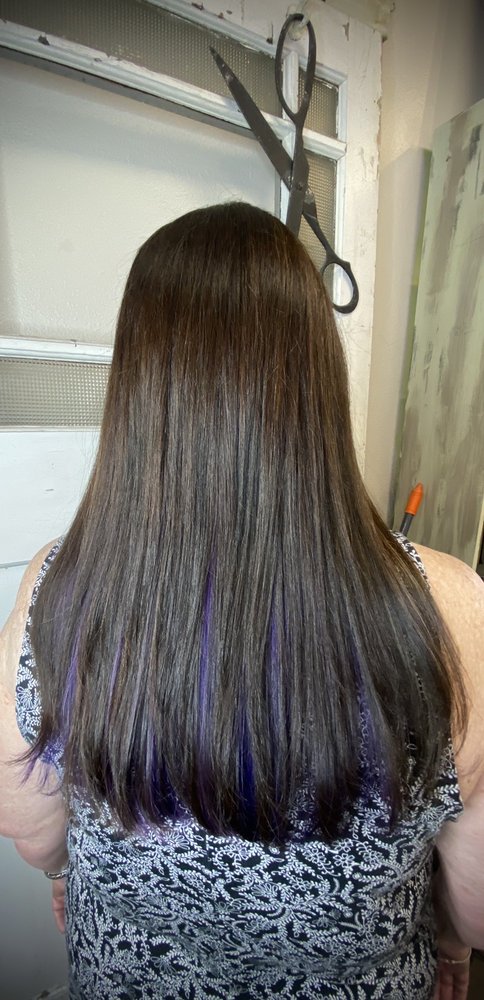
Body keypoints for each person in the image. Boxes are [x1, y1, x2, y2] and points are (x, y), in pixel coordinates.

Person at [0, 202, 483, 1000]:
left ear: (139, 389)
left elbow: (28, 823)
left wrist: (63, 872)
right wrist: (457, 949)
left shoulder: (55, 589)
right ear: (318, 382)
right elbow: (475, 890)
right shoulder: (451, 609)